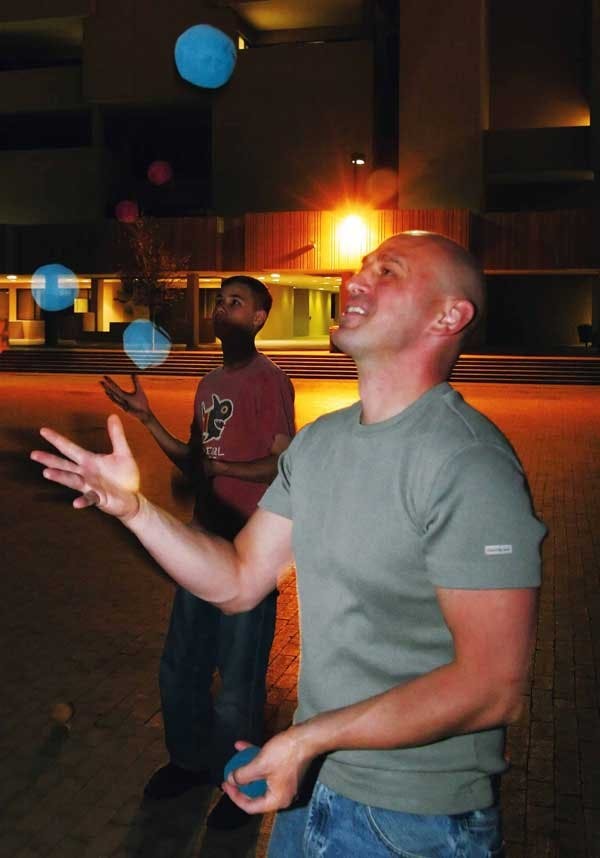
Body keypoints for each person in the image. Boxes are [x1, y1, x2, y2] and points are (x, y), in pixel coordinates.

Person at [32, 233, 545, 857]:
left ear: (449, 315)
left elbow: (491, 686)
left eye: (387, 271)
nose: (355, 281)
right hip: (308, 792)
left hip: (416, 822)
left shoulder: (470, 463)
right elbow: (239, 579)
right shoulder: (320, 444)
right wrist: (136, 510)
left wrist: (308, 739)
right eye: (359, 269)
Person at [100, 275, 295, 830]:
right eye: (219, 301)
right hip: (200, 544)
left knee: (238, 683)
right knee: (180, 667)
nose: (222, 309)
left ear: (258, 318)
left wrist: (222, 467)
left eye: (236, 302)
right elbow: (193, 460)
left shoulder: (270, 382)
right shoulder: (208, 383)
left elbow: (284, 464)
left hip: (249, 551)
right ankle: (187, 762)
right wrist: (145, 418)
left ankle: (242, 785)